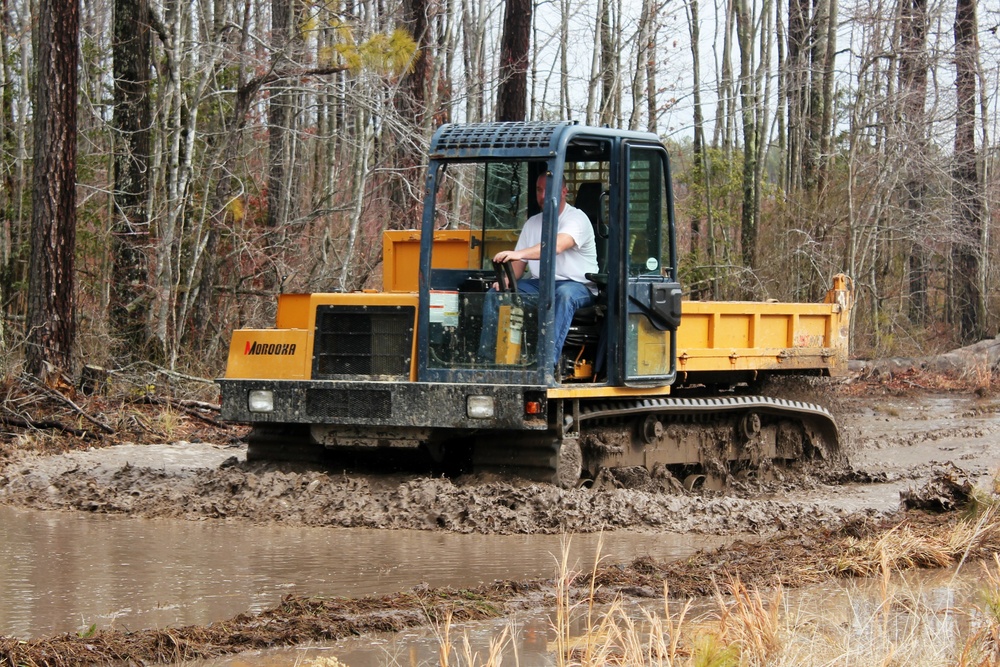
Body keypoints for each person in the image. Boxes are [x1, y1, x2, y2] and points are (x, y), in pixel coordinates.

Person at [478, 172, 599, 373]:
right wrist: (506, 282)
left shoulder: (577, 220)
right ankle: (488, 363)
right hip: (539, 284)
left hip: (578, 287)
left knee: (563, 295)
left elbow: (555, 246)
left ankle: (545, 365)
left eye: (548, 190)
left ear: (563, 192)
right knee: (496, 296)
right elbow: (518, 267)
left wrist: (516, 253)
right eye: (539, 190)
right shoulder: (532, 223)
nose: (542, 196)